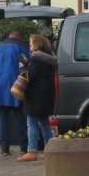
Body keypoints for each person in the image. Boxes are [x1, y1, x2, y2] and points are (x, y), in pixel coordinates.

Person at [0, 31, 27, 156]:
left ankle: (4, 148)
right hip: (16, 84)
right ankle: (23, 147)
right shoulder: (21, 47)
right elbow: (27, 66)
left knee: (2, 118)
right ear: (19, 38)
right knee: (19, 117)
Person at [18, 33, 58, 161]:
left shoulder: (36, 58)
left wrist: (22, 67)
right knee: (44, 122)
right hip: (46, 95)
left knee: (31, 122)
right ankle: (49, 149)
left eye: (31, 44)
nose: (30, 47)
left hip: (35, 96)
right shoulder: (48, 57)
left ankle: (32, 151)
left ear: (36, 44)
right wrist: (27, 62)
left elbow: (30, 75)